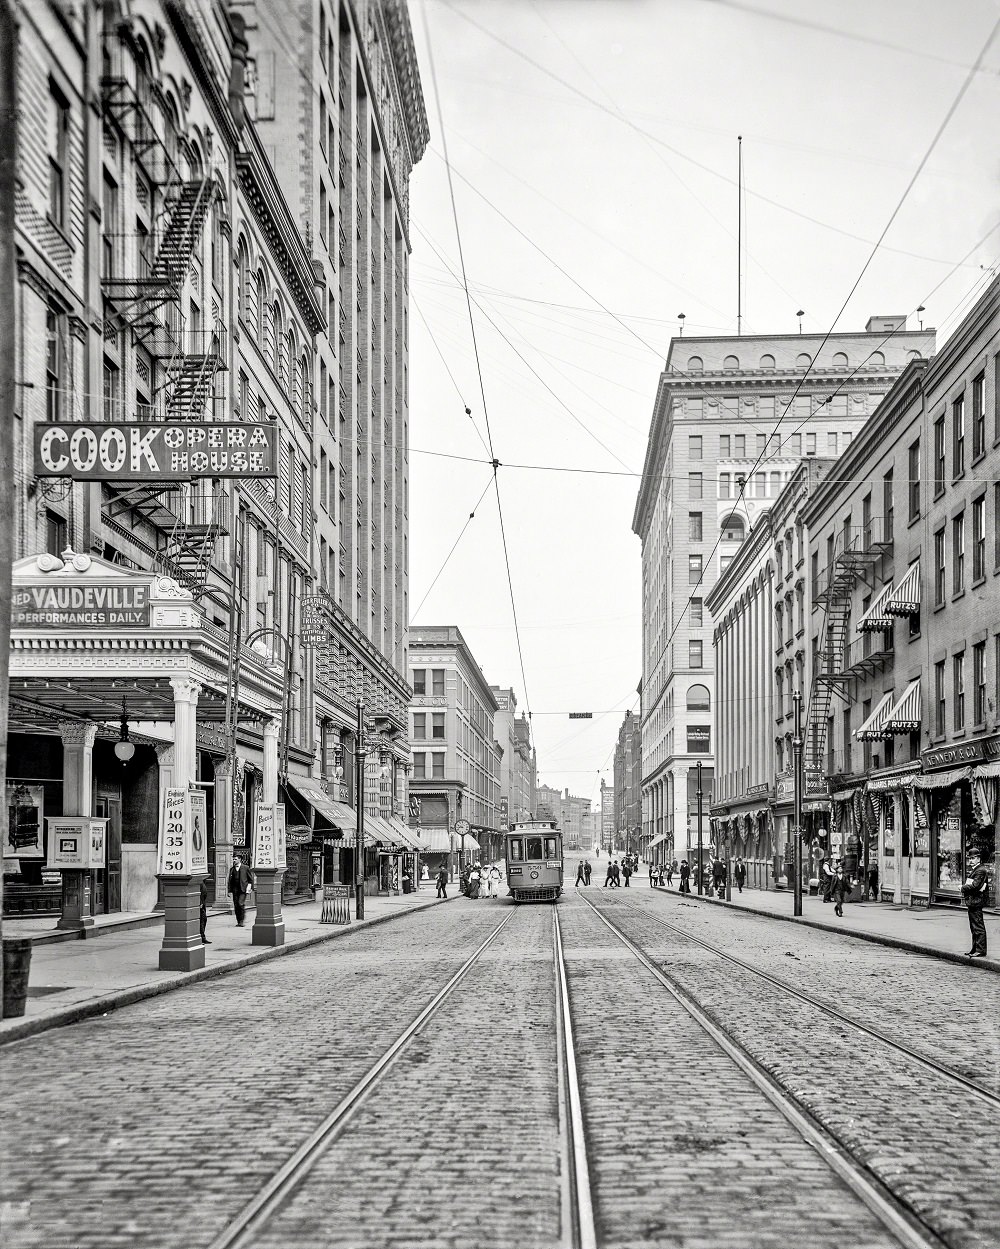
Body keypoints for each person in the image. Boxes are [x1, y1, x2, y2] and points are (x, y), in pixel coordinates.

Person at [963, 857, 992, 957]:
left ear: (979, 858)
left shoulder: (980, 870)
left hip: (976, 901)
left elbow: (975, 886)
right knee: (974, 926)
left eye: (973, 858)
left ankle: (980, 950)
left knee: (978, 926)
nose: (970, 860)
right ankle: (975, 949)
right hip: (973, 901)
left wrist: (962, 887)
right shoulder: (977, 869)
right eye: (969, 858)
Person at [227, 855, 254, 927]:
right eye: (233, 859)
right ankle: (238, 921)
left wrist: (250, 888)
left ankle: (242, 920)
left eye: (235, 859)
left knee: (240, 904)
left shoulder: (245, 868)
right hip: (235, 889)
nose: (234, 860)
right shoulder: (232, 869)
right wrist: (229, 891)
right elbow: (230, 881)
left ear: (240, 859)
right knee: (236, 905)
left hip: (243, 889)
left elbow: (250, 879)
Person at [199, 875, 211, 944]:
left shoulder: (202, 881)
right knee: (201, 921)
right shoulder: (199, 882)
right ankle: (201, 938)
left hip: (203, 903)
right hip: (200, 904)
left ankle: (202, 937)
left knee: (203, 920)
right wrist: (200, 903)